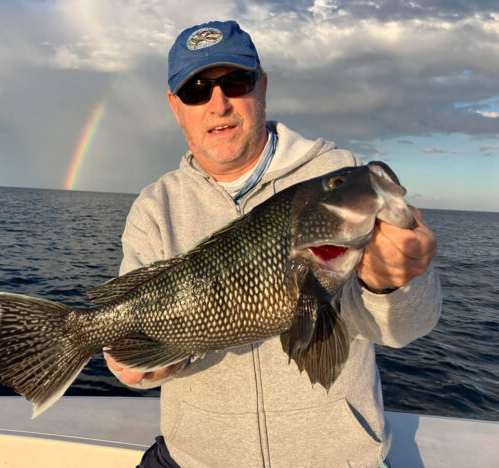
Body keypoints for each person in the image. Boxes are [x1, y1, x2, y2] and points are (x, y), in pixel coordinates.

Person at [105, 20, 441, 468]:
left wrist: (391, 284)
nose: (218, 104)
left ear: (262, 86)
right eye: (196, 90)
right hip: (193, 458)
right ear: (175, 106)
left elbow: (404, 329)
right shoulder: (154, 206)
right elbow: (135, 367)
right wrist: (136, 365)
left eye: (235, 82)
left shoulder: (339, 172)